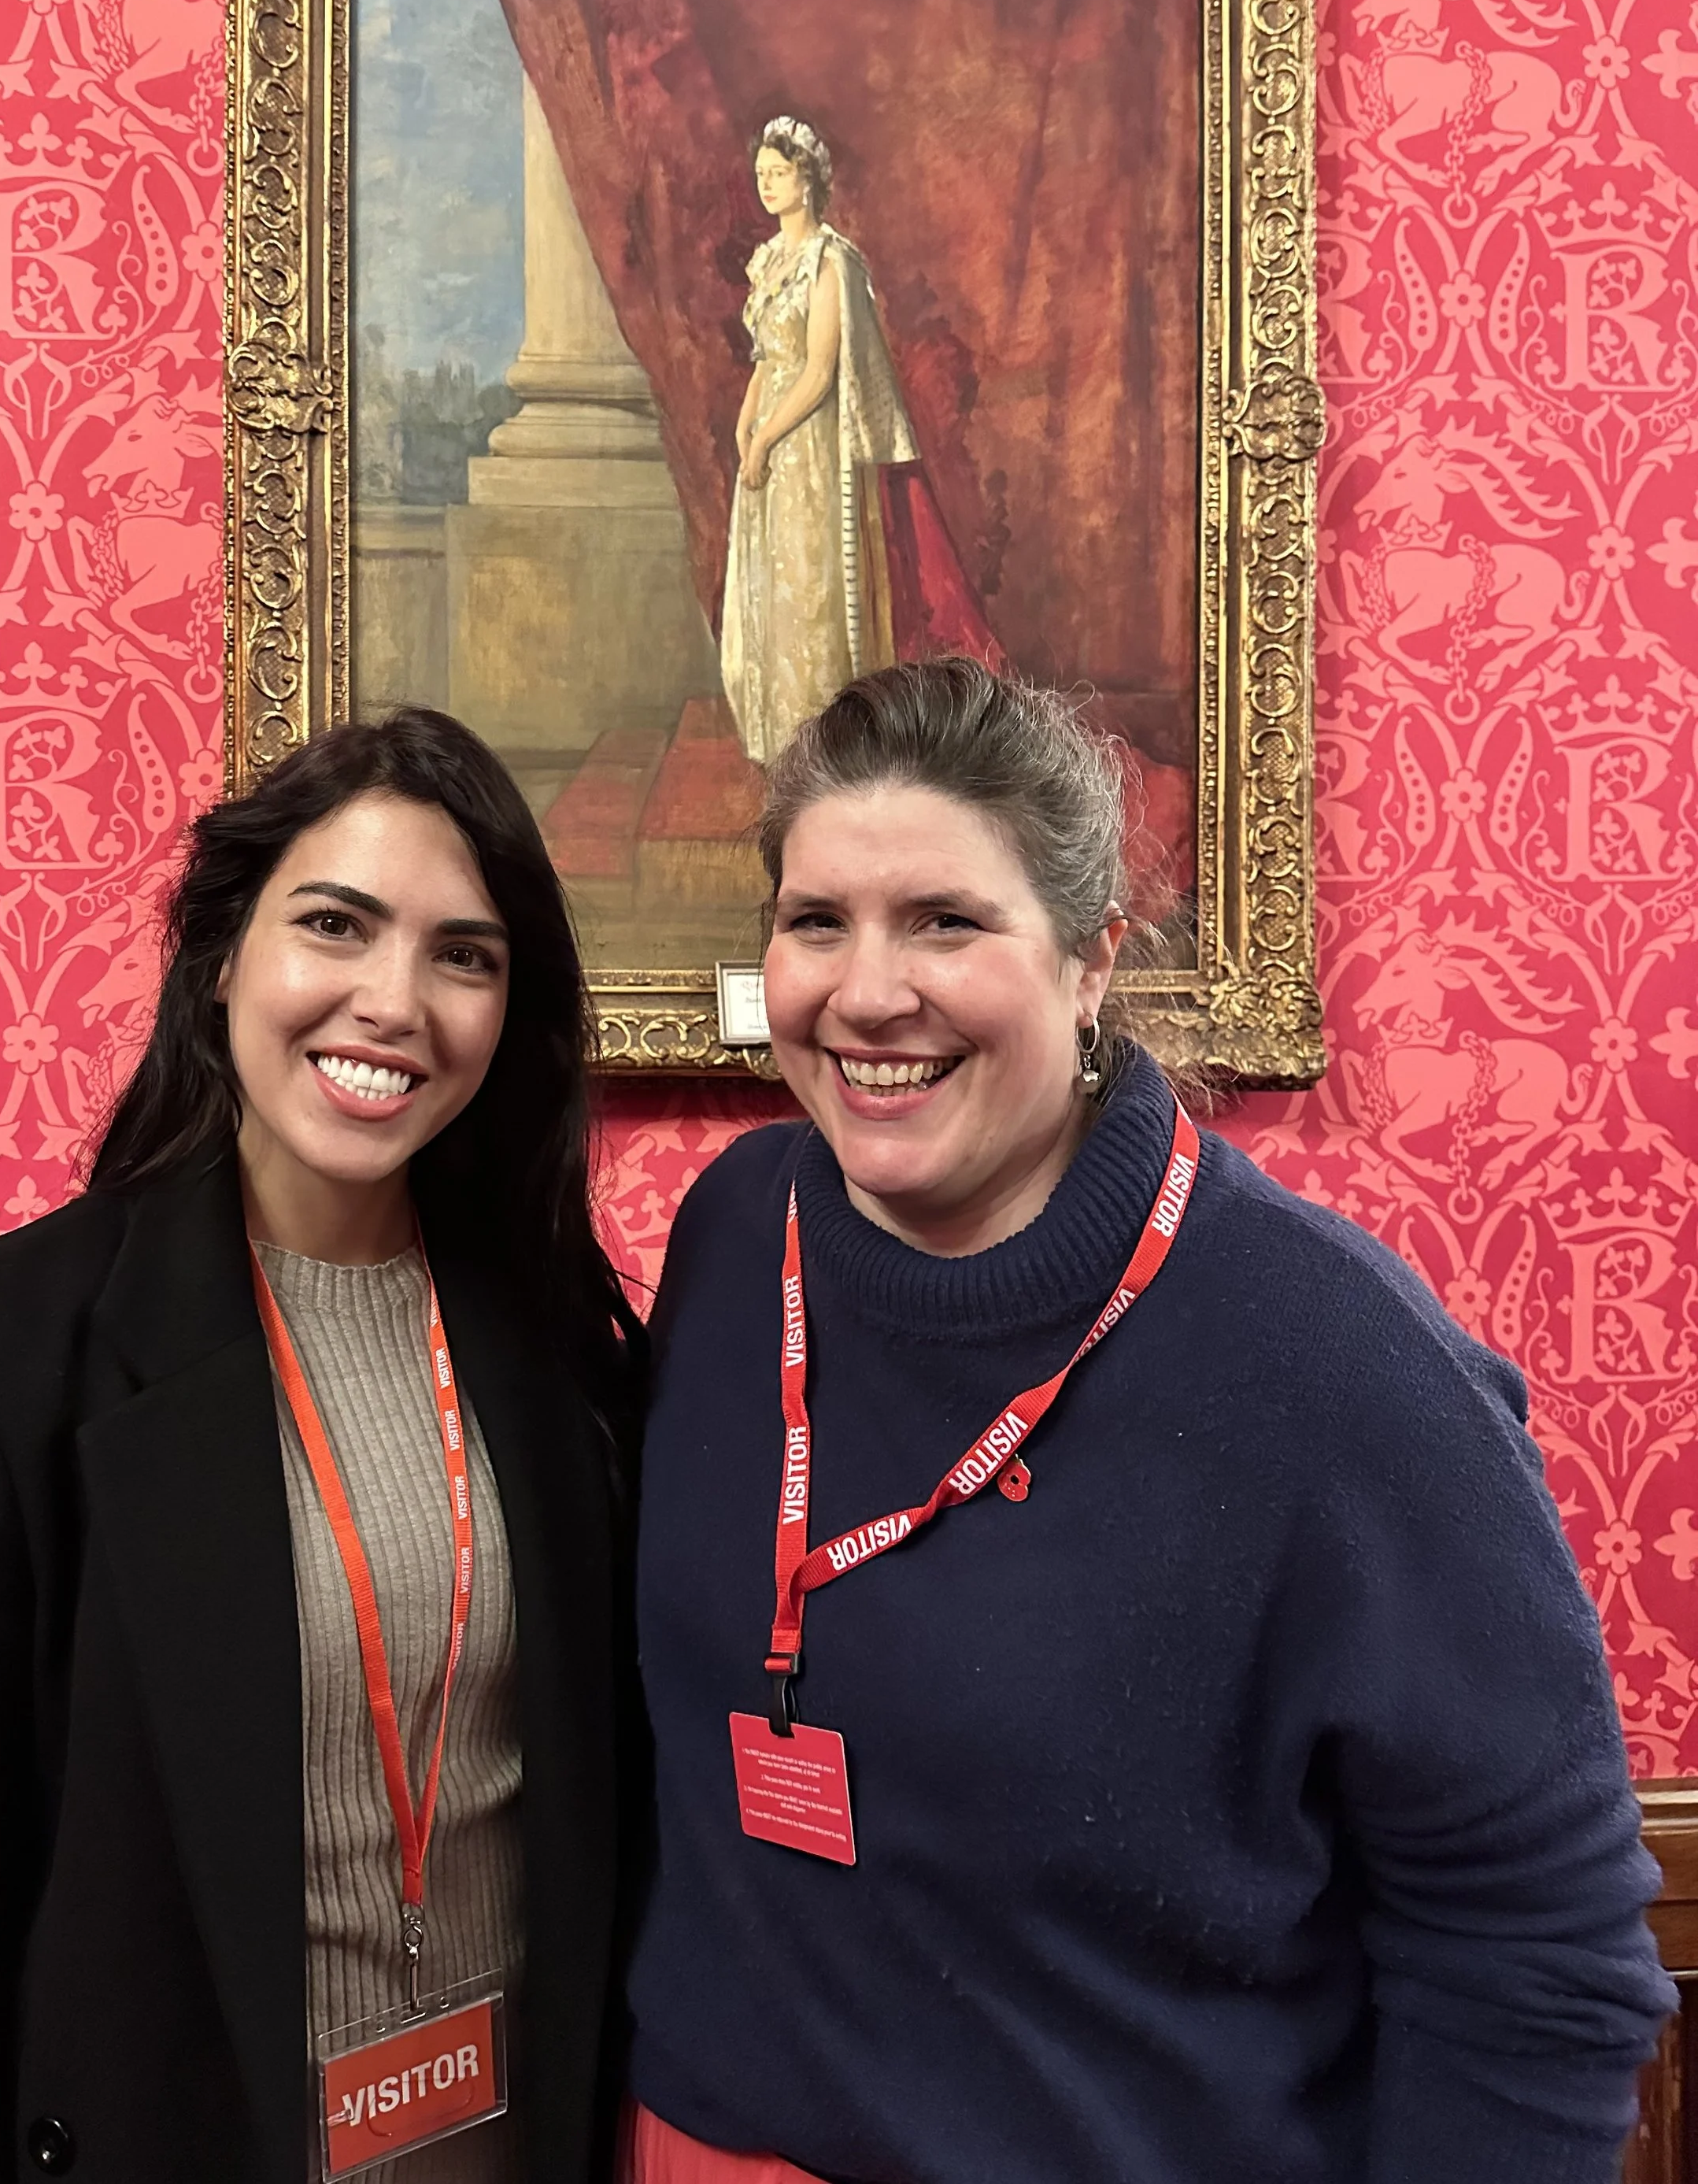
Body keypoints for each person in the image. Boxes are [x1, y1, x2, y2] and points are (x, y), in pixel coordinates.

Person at [625, 656, 1673, 2184]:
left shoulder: (1338, 1364)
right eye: (814, 921)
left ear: (1089, 958)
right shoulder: (732, 1233)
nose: (863, 990)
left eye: (945, 920)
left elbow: (1537, 1958)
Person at [0, 711, 643, 2184]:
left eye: (463, 954)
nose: (393, 1000)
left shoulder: (568, 1358)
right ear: (223, 951)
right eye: (334, 924)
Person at [719, 116, 919, 765]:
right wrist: (746, 425)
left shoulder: (830, 261)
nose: (767, 186)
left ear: (807, 179)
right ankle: (778, 735)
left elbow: (819, 370)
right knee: (769, 583)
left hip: (807, 445)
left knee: (808, 586)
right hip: (769, 445)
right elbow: (765, 359)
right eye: (761, 176)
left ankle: (821, 742)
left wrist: (769, 437)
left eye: (779, 174)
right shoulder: (768, 261)